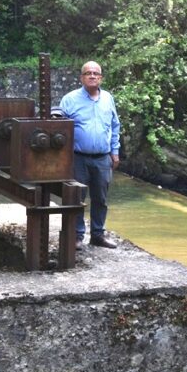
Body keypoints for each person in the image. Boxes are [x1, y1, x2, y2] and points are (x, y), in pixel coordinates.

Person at [60, 60, 121, 248]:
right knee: (77, 197)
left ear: (101, 77)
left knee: (100, 199)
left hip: (103, 158)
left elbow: (115, 126)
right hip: (78, 157)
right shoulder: (70, 99)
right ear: (82, 77)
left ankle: (97, 235)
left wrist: (115, 151)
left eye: (96, 73)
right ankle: (77, 236)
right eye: (88, 73)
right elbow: (59, 127)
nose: (92, 76)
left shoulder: (108, 98)